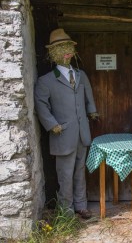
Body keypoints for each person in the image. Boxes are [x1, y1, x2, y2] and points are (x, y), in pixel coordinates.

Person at [34, 28, 99, 219]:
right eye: (62, 47)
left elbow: (89, 96)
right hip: (62, 133)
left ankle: (81, 205)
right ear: (53, 53)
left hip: (82, 133)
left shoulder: (80, 75)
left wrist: (92, 111)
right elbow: (41, 105)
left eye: (68, 46)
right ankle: (66, 209)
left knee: (80, 170)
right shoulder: (46, 81)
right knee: (65, 174)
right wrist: (51, 124)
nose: (66, 51)